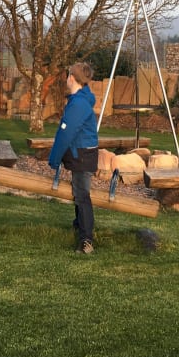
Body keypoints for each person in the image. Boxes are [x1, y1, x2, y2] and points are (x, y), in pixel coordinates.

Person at [47, 61, 99, 254]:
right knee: (79, 193)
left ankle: (87, 241)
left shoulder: (78, 104)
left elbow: (65, 134)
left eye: (68, 75)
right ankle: (79, 226)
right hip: (83, 154)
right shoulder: (80, 100)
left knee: (82, 196)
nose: (66, 78)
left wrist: (54, 159)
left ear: (72, 78)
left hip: (82, 155)